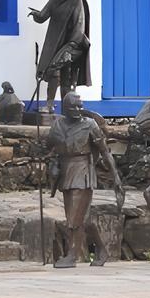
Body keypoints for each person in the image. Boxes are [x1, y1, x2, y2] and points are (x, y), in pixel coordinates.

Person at [46, 94, 124, 268]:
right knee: (83, 218)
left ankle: (72, 255)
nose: (78, 110)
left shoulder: (90, 125)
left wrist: (116, 177)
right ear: (65, 108)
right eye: (74, 107)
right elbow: (49, 146)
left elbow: (105, 152)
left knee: (74, 217)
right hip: (65, 170)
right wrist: (51, 161)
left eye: (80, 106)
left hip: (83, 171)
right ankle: (102, 249)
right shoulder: (58, 125)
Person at [29, 0, 91, 107]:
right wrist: (36, 15)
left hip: (73, 45)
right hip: (57, 42)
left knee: (63, 74)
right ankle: (51, 105)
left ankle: (65, 107)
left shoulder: (76, 0)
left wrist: (70, 48)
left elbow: (79, 28)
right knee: (54, 71)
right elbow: (43, 16)